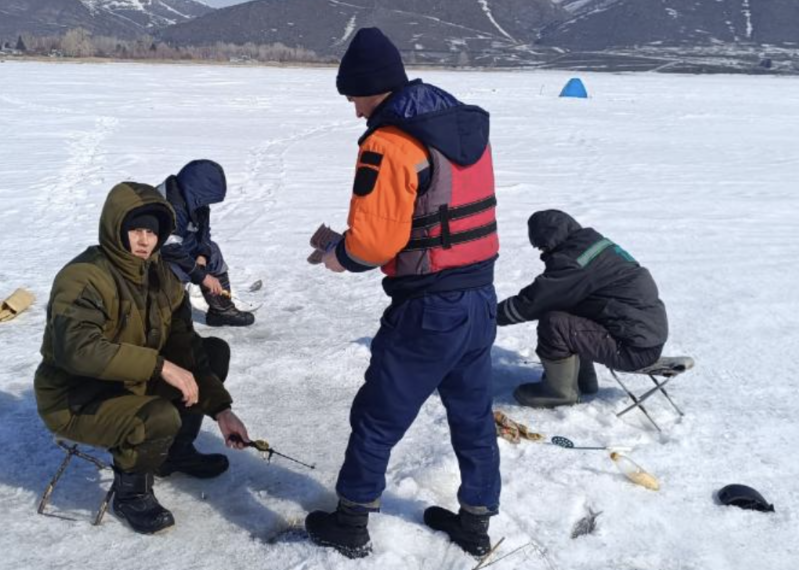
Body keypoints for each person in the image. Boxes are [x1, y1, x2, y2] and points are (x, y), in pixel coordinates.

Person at [305, 28, 502, 559]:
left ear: (372, 88)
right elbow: (429, 219)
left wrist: (337, 257)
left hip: (429, 309)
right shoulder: (457, 127)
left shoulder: (388, 142)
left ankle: (350, 521)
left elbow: (377, 241)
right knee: (473, 418)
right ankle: (476, 523)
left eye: (354, 98)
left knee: (377, 416)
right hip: (479, 300)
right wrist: (350, 243)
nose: (354, 112)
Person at [33, 181, 252, 535]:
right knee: (158, 415)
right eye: (135, 229)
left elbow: (187, 349)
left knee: (212, 352)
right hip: (77, 398)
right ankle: (131, 493)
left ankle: (175, 452)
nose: (144, 240)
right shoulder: (84, 277)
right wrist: (160, 366)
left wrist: (221, 410)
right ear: (116, 227)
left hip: (128, 381)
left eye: (152, 231)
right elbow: (79, 350)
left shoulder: (162, 277)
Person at [496, 210, 669, 408]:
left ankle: (560, 393)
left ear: (550, 238)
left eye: (542, 246)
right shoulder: (593, 247)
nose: (543, 252)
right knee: (570, 309)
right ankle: (583, 380)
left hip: (633, 349)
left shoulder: (574, 261)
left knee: (554, 323)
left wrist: (490, 316)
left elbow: (535, 300)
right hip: (645, 338)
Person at [156, 160, 254, 327]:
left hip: (181, 245)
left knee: (212, 252)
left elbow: (203, 233)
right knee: (172, 271)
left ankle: (221, 310)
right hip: (156, 255)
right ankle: (165, 314)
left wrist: (202, 256)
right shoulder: (169, 205)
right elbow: (168, 248)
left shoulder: (195, 198)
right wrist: (201, 275)